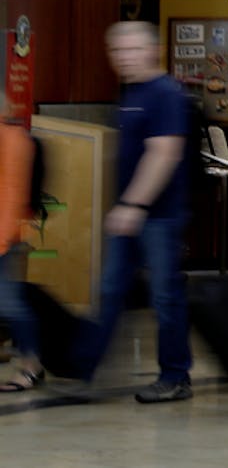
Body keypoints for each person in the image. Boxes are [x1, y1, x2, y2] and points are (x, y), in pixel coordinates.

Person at [71, 22, 195, 402]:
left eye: (131, 49)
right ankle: (82, 370)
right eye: (117, 51)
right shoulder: (132, 93)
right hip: (132, 216)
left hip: (159, 217)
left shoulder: (166, 94)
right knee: (109, 290)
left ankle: (175, 377)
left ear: (152, 50)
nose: (123, 57)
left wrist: (133, 204)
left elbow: (164, 154)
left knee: (164, 297)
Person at [0, 106, 41, 392]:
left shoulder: (12, 140)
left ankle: (32, 364)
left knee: (9, 303)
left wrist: (1, 241)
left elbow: (12, 194)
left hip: (5, 238)